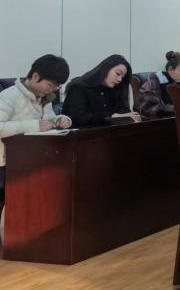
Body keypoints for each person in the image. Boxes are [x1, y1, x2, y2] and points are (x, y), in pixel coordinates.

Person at [0, 55, 72, 212]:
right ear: (35, 76)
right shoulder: (9, 96)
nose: (52, 90)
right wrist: (35, 125)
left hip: (30, 159)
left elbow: (48, 120)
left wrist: (60, 119)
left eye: (56, 87)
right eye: (50, 84)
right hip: (5, 164)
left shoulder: (44, 98)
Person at [63, 54, 141, 127]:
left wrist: (131, 118)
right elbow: (77, 117)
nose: (119, 79)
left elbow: (123, 111)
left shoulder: (115, 90)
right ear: (106, 68)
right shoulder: (78, 88)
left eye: (122, 77)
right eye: (118, 73)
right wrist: (111, 117)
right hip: (82, 134)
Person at [138, 51, 180, 118]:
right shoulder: (155, 79)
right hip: (158, 120)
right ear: (170, 69)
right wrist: (177, 108)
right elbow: (150, 108)